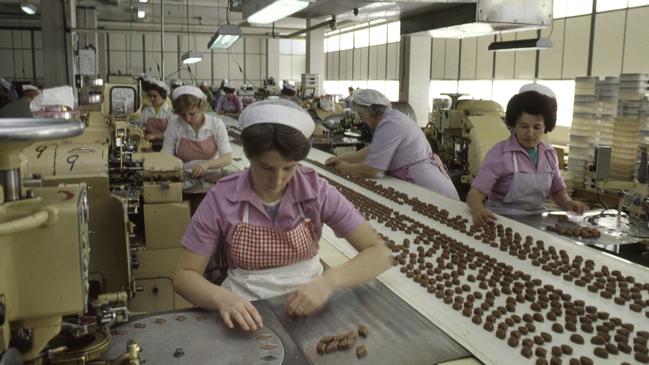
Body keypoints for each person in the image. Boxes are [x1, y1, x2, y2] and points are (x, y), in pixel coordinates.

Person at [173, 99, 392, 331]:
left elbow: (379, 253)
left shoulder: (316, 191)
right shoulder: (222, 198)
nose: (277, 180)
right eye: (266, 167)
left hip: (311, 307)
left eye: (289, 168)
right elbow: (184, 275)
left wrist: (329, 282)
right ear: (249, 157)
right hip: (246, 312)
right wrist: (220, 297)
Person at [466, 84, 587, 226]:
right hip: (501, 222)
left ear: (546, 127)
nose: (530, 133)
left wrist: (568, 203)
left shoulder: (549, 155)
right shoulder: (500, 154)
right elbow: (474, 194)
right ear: (514, 125)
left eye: (537, 127)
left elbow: (557, 191)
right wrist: (478, 209)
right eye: (524, 126)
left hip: (536, 222)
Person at [326, 89, 459, 200]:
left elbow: (372, 171)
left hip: (428, 187)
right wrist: (341, 159)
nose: (361, 119)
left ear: (371, 111)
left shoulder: (390, 124)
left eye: (361, 114)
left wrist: (345, 168)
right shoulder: (390, 119)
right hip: (419, 182)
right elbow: (372, 150)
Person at [162, 85, 232, 178]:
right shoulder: (174, 125)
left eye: (192, 113)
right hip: (184, 175)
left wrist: (207, 165)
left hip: (211, 174)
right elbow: (166, 156)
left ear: (201, 107)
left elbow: (227, 158)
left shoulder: (216, 124)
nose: (187, 119)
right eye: (182, 115)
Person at [136, 78, 173, 143]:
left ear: (163, 95)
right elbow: (138, 125)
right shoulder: (146, 111)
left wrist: (155, 135)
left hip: (167, 145)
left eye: (154, 96)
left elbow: (172, 133)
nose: (151, 98)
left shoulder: (170, 112)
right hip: (149, 145)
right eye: (150, 96)